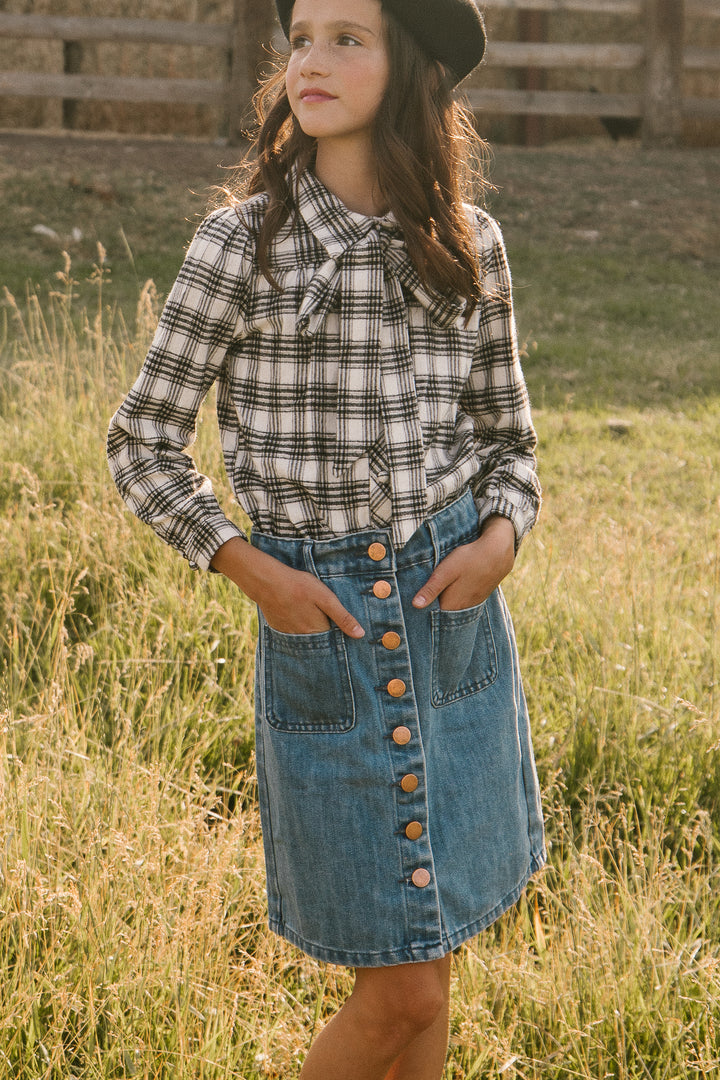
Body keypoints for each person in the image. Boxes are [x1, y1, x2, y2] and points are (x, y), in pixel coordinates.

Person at [107, 0, 546, 1076]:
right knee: (398, 990)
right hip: (329, 632)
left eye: (349, 36)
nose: (310, 58)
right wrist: (254, 571)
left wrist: (500, 539)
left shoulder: (468, 245)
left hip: (454, 634)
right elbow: (141, 444)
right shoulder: (238, 244)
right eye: (302, 35)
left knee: (431, 966)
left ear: (412, 70)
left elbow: (511, 443)